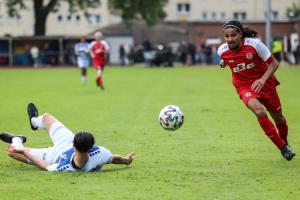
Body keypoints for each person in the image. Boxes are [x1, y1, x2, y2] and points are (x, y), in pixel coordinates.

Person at [217, 20, 295, 161]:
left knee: (279, 119)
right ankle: (282, 148)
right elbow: (227, 58)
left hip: (265, 83)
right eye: (226, 36)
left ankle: (285, 142)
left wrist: (263, 79)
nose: (230, 39)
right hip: (244, 86)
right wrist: (224, 62)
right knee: (259, 111)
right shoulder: (222, 50)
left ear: (240, 34)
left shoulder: (255, 44)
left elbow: (274, 63)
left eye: (233, 35)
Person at [0, 103, 135, 172]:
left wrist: (23, 151)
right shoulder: (101, 152)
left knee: (12, 152)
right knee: (46, 117)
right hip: (67, 139)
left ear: (74, 145)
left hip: (52, 156)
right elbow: (113, 158)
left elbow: (46, 166)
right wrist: (126, 161)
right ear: (92, 146)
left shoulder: (66, 167)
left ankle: (17, 139)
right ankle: (34, 120)